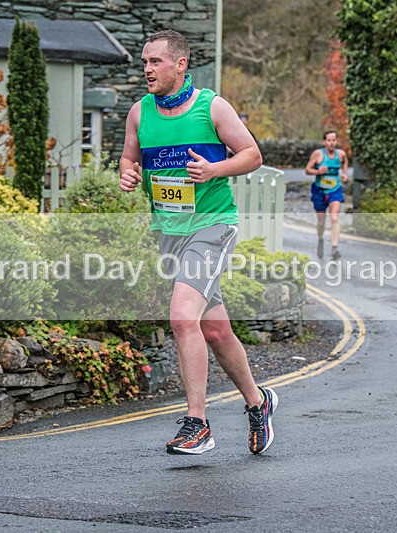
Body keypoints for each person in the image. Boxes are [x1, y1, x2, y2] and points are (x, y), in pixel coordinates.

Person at [119, 30, 278, 455]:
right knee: (216, 330)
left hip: (212, 226)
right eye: (145, 61)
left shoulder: (213, 107)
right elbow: (129, 156)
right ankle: (258, 401)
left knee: (182, 317)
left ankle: (198, 424)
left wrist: (215, 169)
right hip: (169, 231)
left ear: (180, 64)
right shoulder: (140, 112)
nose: (147, 69)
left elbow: (252, 155)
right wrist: (128, 173)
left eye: (155, 61)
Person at [305, 130, 349, 260]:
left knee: (334, 218)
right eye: (329, 140)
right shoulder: (318, 154)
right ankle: (320, 239)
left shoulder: (341, 154)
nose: (331, 143)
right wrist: (318, 171)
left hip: (335, 190)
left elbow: (345, 162)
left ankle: (335, 248)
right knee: (321, 221)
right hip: (319, 190)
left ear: (337, 141)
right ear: (324, 142)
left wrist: (344, 174)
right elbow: (307, 170)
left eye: (334, 140)